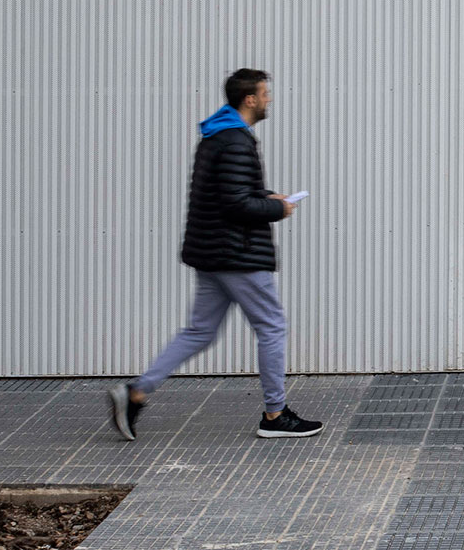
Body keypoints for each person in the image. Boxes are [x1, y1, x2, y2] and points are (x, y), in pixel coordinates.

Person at [108, 68, 323, 442]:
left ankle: (136, 393)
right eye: (264, 93)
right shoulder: (235, 140)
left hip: (212, 251)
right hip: (236, 254)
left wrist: (267, 196)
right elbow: (236, 203)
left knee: (200, 331)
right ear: (249, 99)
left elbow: (230, 193)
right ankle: (275, 414)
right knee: (272, 326)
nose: (269, 99)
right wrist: (278, 209)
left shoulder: (217, 136)